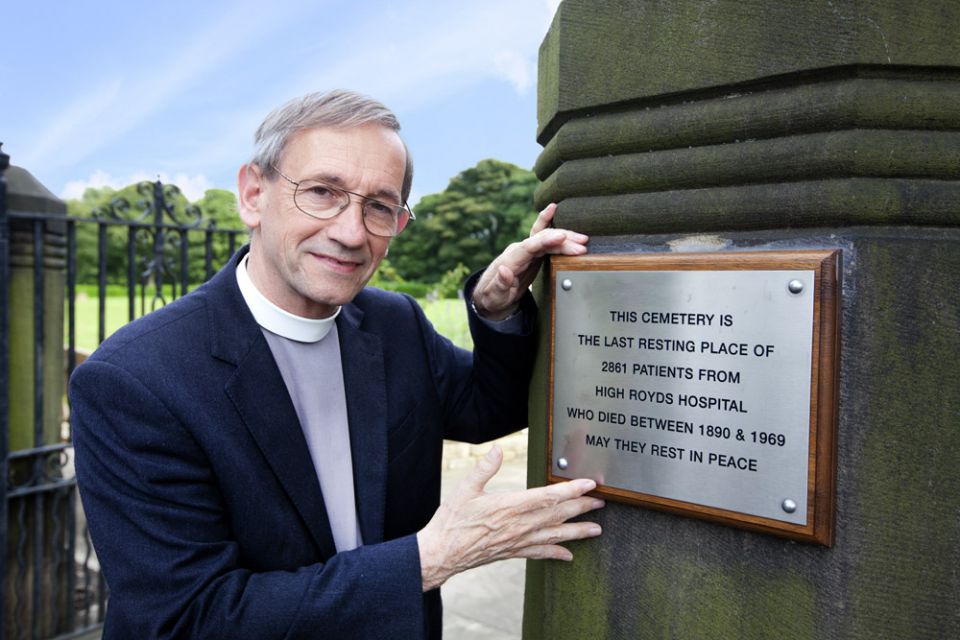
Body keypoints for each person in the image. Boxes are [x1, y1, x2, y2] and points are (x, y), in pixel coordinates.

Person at [70, 89, 603, 639]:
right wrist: (431, 557)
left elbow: (492, 407)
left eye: (378, 206)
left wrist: (497, 308)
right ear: (253, 194)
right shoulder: (134, 380)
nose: (351, 233)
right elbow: (188, 619)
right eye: (322, 192)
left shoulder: (393, 322)